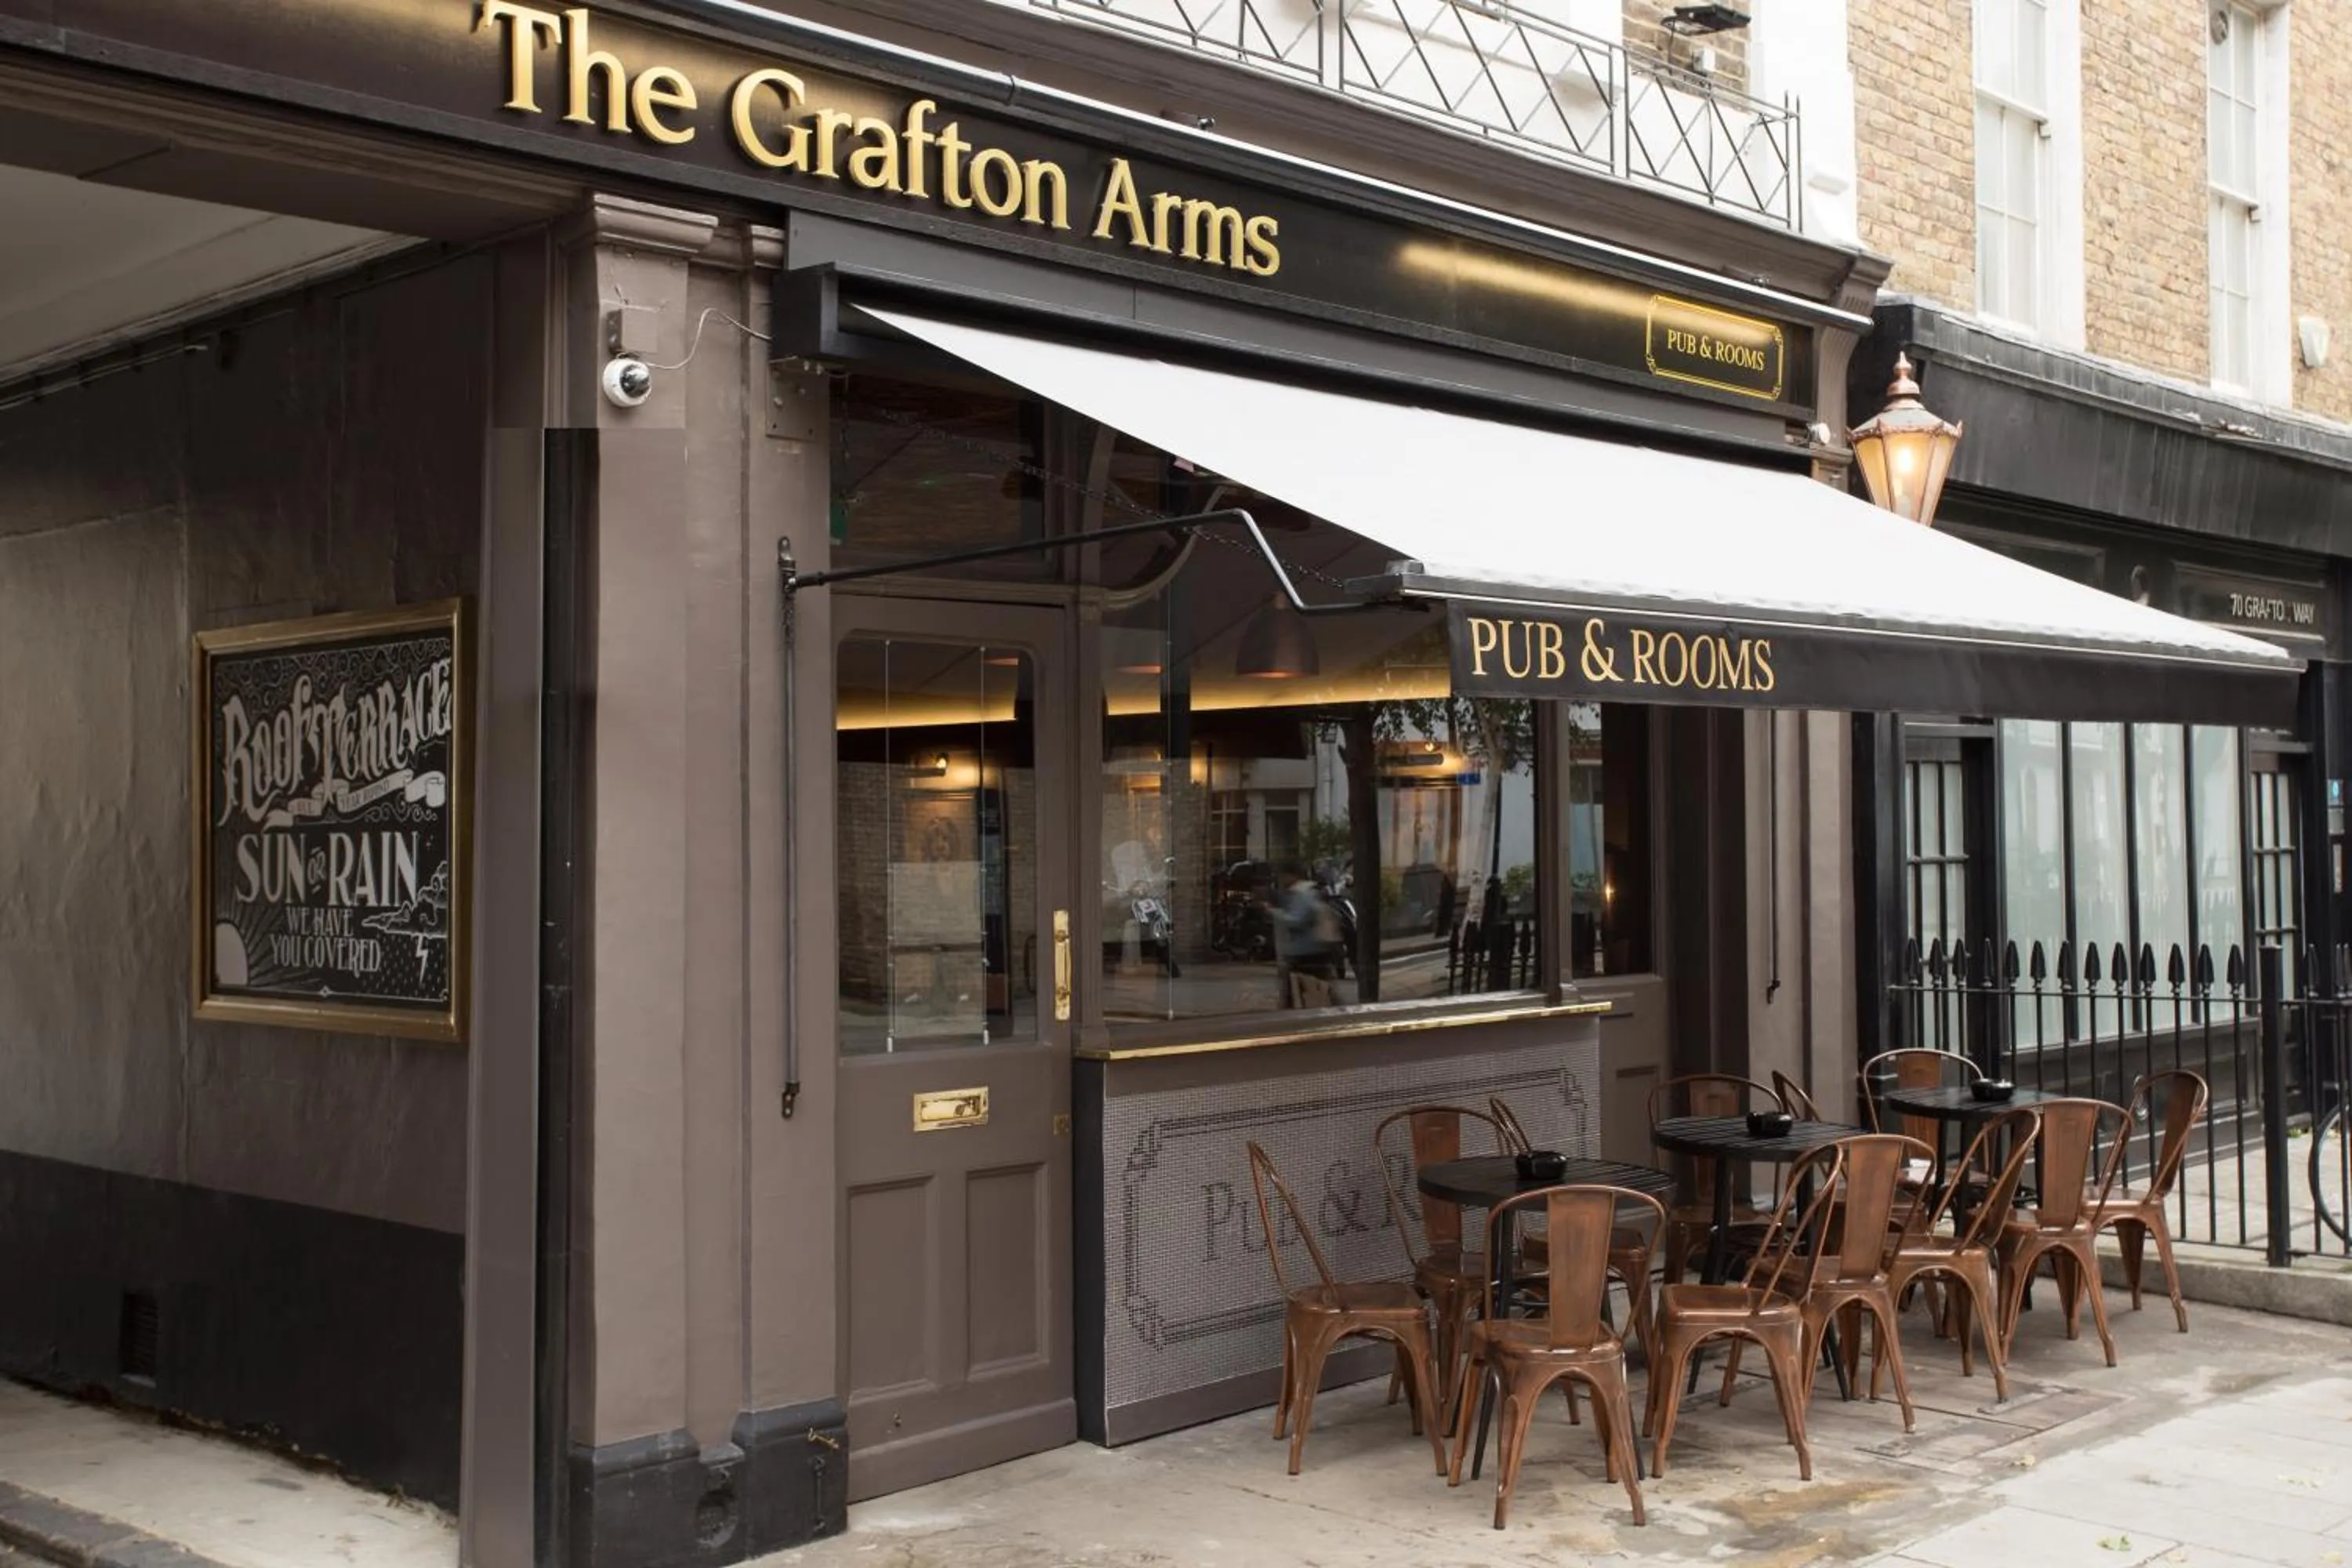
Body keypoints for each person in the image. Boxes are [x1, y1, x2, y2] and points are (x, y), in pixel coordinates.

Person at [1272, 861, 1343, 1008]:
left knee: (1299, 989)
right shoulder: (1310, 890)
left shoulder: (1300, 893)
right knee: (1317, 986)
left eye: (1282, 876)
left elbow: (1297, 920)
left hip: (1305, 951)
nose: (1281, 880)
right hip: (1314, 948)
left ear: (1291, 876)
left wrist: (1274, 912)